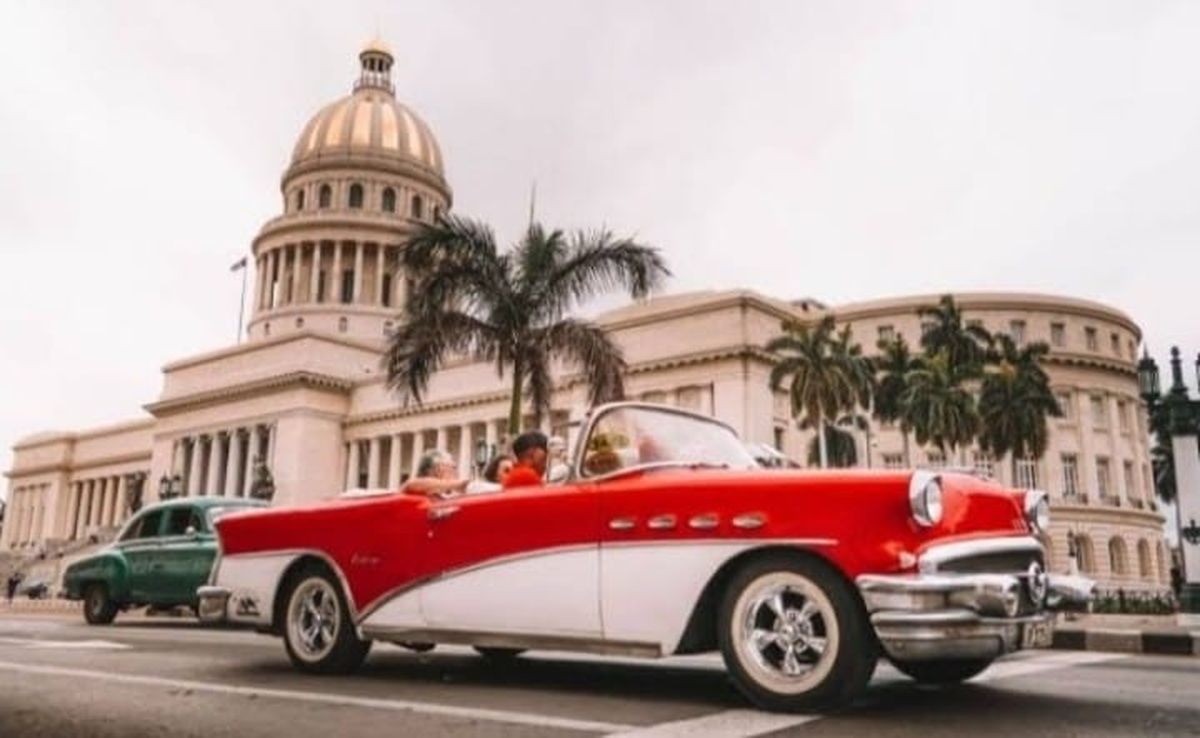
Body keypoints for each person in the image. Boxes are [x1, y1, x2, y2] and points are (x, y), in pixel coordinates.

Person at [402, 450, 468, 499]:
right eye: (454, 468)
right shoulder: (413, 489)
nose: (457, 473)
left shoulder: (442, 498)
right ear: (438, 470)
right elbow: (411, 485)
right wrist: (460, 484)